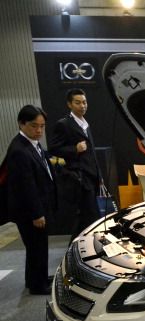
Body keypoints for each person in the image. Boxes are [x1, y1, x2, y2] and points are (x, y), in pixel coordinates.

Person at [2, 105, 56, 295]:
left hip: (38, 206)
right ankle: (38, 285)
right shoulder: (19, 149)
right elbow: (25, 186)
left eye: (42, 126)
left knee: (37, 246)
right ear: (21, 124)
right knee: (37, 247)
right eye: (34, 126)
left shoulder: (31, 143)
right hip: (31, 211)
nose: (39, 130)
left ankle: (34, 278)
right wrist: (37, 213)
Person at [49, 88, 102, 240]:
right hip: (79, 178)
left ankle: (76, 248)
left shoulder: (85, 123)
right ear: (69, 104)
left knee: (86, 217)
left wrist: (99, 174)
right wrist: (75, 149)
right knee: (91, 216)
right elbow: (54, 148)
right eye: (78, 103)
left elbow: (91, 153)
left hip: (91, 176)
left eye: (84, 102)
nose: (82, 106)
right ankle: (83, 249)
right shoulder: (64, 124)